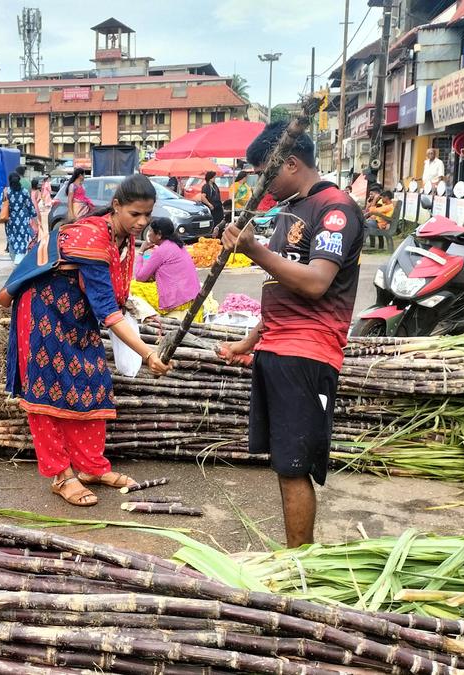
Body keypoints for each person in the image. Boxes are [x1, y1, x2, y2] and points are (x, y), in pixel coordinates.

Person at [216, 121, 365, 548]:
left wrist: (254, 250)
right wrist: (249, 342)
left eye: (266, 173)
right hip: (278, 351)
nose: (262, 185)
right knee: (284, 464)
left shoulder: (335, 209)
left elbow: (316, 283)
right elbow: (283, 292)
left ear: (292, 163)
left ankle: (299, 563)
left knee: (294, 466)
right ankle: (294, 557)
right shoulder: (292, 210)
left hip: (307, 353)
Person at [0, 174, 171, 507]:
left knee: (93, 382)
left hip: (77, 313)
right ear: (116, 206)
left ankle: (91, 467)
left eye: (148, 214)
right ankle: (61, 476)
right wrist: (148, 354)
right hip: (43, 311)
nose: (142, 222)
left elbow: (112, 297)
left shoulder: (121, 237)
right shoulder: (93, 239)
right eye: (135, 214)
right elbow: (108, 312)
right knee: (47, 390)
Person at [135, 217, 200, 317]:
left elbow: (140, 277)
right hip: (191, 294)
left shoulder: (161, 251)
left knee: (133, 286)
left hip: (177, 300)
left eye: (151, 231)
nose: (149, 234)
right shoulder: (177, 244)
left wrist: (141, 252)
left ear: (159, 234)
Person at [0, 171, 36, 264]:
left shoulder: (6, 192)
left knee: (12, 239)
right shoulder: (24, 192)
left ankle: (16, 257)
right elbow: (30, 206)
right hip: (23, 219)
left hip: (10, 221)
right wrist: (35, 218)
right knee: (23, 238)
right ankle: (20, 256)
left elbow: (0, 206)